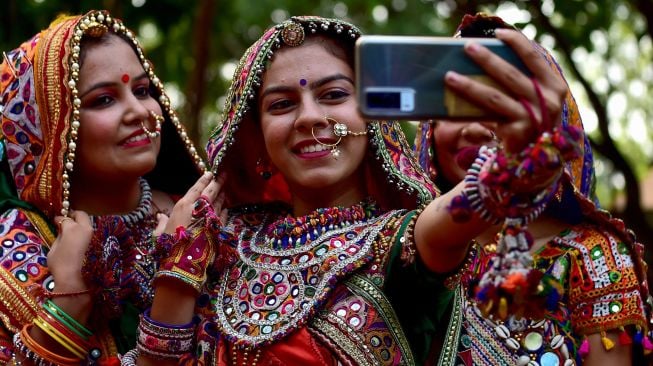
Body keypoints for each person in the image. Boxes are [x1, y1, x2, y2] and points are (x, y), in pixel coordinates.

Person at [126, 15, 575, 365]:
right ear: (257, 138)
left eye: (334, 94)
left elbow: (457, 214)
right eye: (281, 104)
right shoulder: (221, 242)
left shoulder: (396, 243)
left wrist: (517, 161)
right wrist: (179, 268)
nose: (308, 118)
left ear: (373, 120)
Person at [414, 13, 653, 366]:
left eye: (506, 104)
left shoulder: (592, 256)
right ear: (429, 129)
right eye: (458, 106)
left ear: (552, 123)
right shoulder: (403, 247)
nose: (479, 128)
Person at [0, 9, 205, 364]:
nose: (139, 111)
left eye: (142, 90)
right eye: (103, 100)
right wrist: (68, 302)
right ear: (50, 128)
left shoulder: (204, 215)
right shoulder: (15, 250)